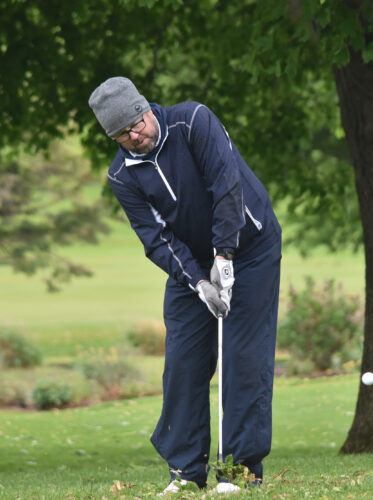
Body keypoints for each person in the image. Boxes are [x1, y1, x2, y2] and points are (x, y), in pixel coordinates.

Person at [88, 76, 281, 494]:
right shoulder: (122, 176)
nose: (133, 136)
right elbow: (156, 239)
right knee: (182, 361)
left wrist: (224, 257)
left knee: (242, 356)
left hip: (250, 247)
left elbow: (226, 185)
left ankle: (239, 470)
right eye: (121, 134)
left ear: (146, 109)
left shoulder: (192, 121)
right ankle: (186, 472)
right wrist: (198, 282)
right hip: (192, 264)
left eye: (136, 124)